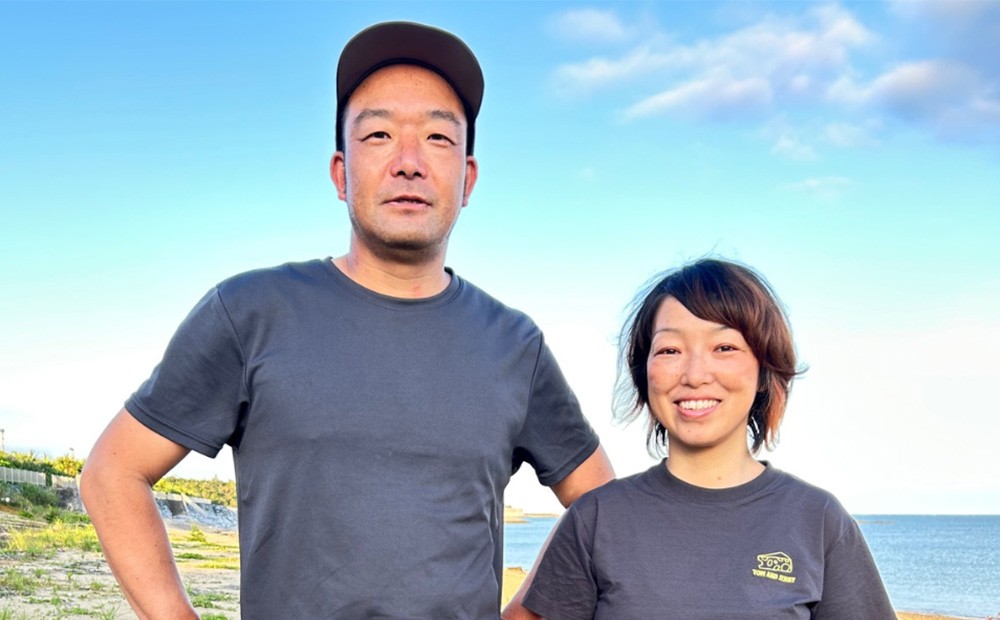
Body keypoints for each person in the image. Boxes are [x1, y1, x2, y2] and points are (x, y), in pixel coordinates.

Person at [79, 21, 613, 620]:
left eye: (438, 137)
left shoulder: (516, 345)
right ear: (341, 173)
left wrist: (526, 613)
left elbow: (602, 506)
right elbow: (113, 473)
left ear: (467, 179)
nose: (408, 162)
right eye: (379, 134)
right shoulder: (250, 313)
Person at [521, 258, 895, 619]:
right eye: (670, 350)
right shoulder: (595, 519)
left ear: (764, 368)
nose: (695, 375)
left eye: (724, 348)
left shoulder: (819, 520)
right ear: (645, 372)